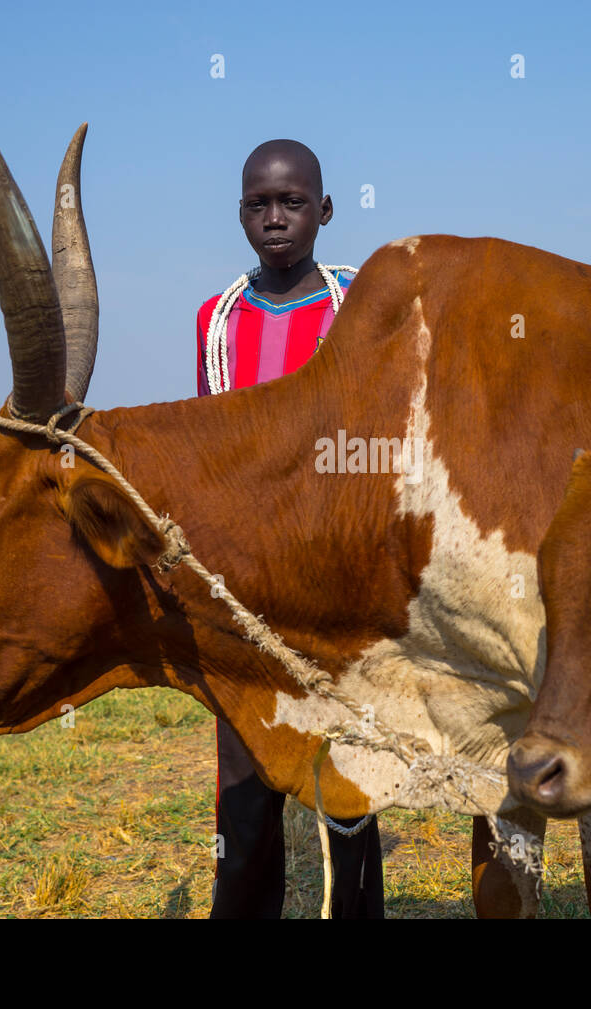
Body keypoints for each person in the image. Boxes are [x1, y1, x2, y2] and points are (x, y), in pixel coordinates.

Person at [196, 139, 385, 918]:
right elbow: (207, 454)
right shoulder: (217, 320)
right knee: (243, 796)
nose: (274, 219)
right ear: (241, 212)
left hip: (341, 586)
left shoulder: (359, 308)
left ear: (325, 210)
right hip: (244, 591)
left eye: (292, 202)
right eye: (258, 204)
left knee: (346, 789)